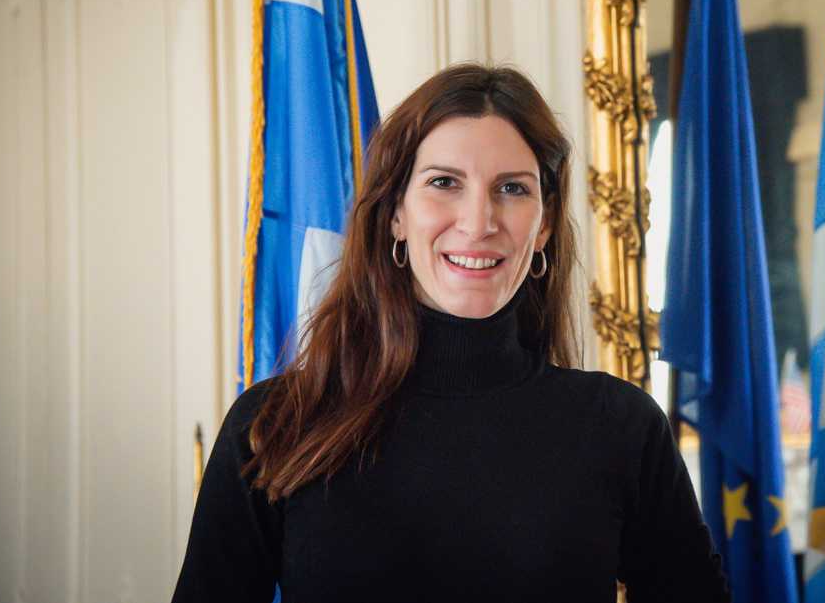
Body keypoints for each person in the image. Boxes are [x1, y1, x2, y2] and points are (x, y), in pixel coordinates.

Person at [172, 62, 731, 602]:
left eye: (512, 188)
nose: (478, 222)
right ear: (396, 213)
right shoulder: (275, 424)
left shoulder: (621, 427)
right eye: (444, 182)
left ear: (544, 224)